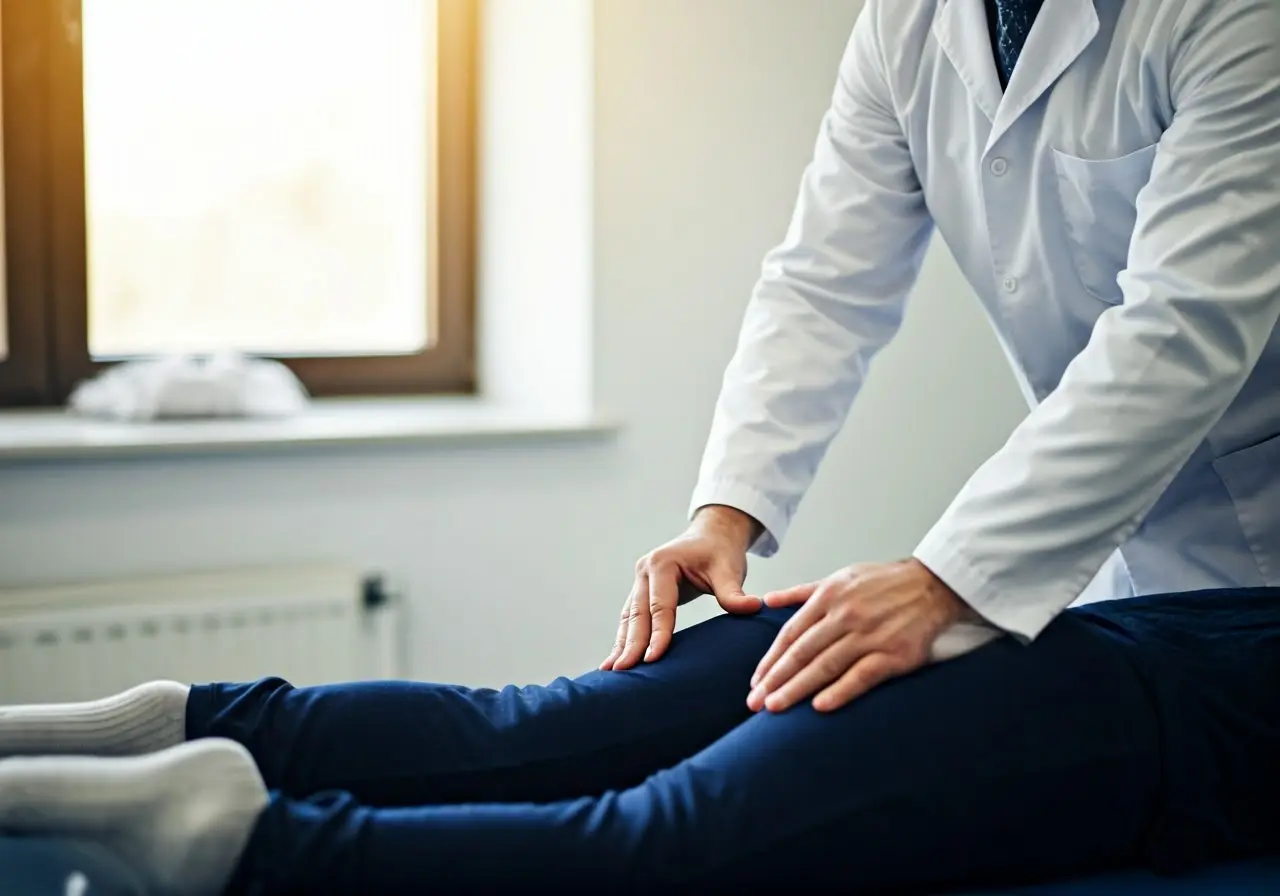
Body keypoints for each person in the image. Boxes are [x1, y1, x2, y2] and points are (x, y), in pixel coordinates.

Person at [1, 0, 1278, 893]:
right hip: (1103, 580)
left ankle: (212, 847)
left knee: (673, 828)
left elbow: (1177, 330)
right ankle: (127, 737)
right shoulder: (914, 21)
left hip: (1244, 621)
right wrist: (726, 512)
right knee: (553, 722)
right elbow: (821, 283)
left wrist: (941, 578)